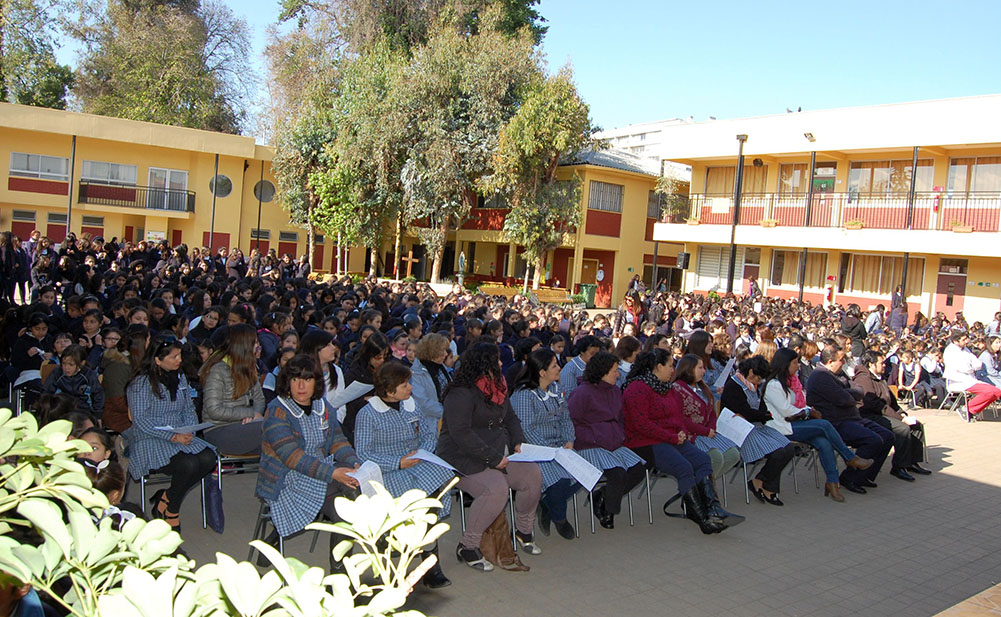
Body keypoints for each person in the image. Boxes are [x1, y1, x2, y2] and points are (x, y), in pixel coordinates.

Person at [437, 343, 543, 571]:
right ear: (483, 364)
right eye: (497, 361)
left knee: (532, 475)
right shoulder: (460, 393)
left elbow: (511, 418)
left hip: (496, 453)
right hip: (461, 458)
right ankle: (468, 546)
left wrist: (518, 442)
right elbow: (461, 434)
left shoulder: (498, 385)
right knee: (495, 489)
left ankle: (523, 531)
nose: (502, 364)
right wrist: (493, 458)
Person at [354, 361, 455, 588]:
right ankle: (393, 553)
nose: (410, 388)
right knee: (416, 499)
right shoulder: (367, 414)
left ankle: (429, 563)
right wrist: (398, 462)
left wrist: (423, 451)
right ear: (389, 391)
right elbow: (364, 453)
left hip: (416, 461)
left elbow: (429, 433)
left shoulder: (411, 404)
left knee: (435, 493)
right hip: (387, 471)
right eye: (405, 384)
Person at [256, 354, 361, 568]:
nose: (301, 385)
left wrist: (354, 464)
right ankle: (341, 574)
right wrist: (333, 473)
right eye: (295, 379)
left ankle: (342, 572)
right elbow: (292, 457)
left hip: (320, 473)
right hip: (286, 480)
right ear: (287, 382)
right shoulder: (277, 410)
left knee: (354, 492)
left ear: (316, 382)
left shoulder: (323, 407)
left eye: (307, 379)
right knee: (346, 506)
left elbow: (337, 441)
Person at [621, 349, 736, 534]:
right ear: (658, 367)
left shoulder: (668, 388)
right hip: (644, 442)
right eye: (670, 365)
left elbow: (678, 417)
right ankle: (700, 517)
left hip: (670, 438)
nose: (673, 370)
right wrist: (673, 436)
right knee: (683, 467)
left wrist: (681, 432)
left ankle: (713, 507)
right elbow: (640, 424)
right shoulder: (636, 388)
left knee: (703, 460)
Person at [125, 337, 217, 531]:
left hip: (179, 433)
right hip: (150, 437)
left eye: (179, 355)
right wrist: (172, 436)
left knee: (209, 458)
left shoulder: (180, 378)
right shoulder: (140, 384)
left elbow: (188, 409)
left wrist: (189, 430)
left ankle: (166, 498)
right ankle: (172, 510)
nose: (179, 360)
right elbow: (141, 420)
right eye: (174, 357)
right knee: (188, 464)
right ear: (158, 360)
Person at [763, 348, 873, 503]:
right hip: (781, 427)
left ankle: (833, 483)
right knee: (823, 425)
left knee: (824, 442)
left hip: (794, 422)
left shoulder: (788, 381)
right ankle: (849, 458)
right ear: (785, 364)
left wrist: (807, 411)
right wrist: (808, 411)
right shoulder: (773, 384)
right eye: (794, 363)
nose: (797, 366)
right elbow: (786, 410)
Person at [565, 351, 646, 529]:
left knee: (638, 470)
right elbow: (570, 422)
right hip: (590, 444)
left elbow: (620, 418)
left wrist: (620, 434)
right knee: (617, 473)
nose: (618, 375)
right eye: (614, 371)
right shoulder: (582, 393)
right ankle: (609, 511)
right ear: (602, 372)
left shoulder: (615, 391)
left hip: (613, 441)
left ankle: (603, 496)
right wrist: (593, 436)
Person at [508, 349, 578, 540]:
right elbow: (526, 430)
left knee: (582, 474)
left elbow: (566, 418)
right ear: (542, 372)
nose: (559, 368)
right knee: (560, 481)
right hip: (535, 450)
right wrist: (552, 451)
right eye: (554, 365)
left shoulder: (555, 390)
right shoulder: (524, 395)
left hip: (558, 446)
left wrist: (568, 440)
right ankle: (560, 518)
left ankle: (546, 503)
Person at [805, 343, 894, 495]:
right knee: (873, 440)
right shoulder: (820, 376)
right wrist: (850, 394)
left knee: (887, 436)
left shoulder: (838, 373)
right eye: (841, 359)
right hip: (836, 423)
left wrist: (850, 394)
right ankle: (850, 478)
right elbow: (843, 399)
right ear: (830, 361)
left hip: (852, 418)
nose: (844, 362)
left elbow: (859, 389)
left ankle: (865, 475)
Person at [719, 356, 795, 505]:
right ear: (751, 372)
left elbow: (760, 409)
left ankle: (760, 480)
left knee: (789, 448)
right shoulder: (733, 386)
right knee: (777, 452)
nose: (759, 382)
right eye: (758, 378)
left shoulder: (754, 387)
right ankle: (769, 488)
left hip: (756, 426)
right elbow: (745, 411)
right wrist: (762, 415)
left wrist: (762, 415)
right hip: (740, 430)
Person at [852, 350, 930, 480]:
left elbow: (891, 401)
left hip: (883, 413)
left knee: (916, 426)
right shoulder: (863, 379)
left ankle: (912, 462)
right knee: (902, 428)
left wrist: (902, 413)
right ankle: (899, 466)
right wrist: (900, 419)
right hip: (869, 415)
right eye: (881, 363)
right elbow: (874, 404)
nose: (884, 365)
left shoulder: (879, 378)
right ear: (871, 364)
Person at [200, 323, 266, 455]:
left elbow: (259, 399)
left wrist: (255, 417)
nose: (257, 347)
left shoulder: (249, 368)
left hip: (247, 425)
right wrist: (249, 414)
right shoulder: (217, 370)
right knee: (273, 431)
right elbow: (214, 410)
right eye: (255, 343)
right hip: (218, 429)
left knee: (279, 432)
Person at [672, 354, 741, 481]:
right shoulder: (677, 388)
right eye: (700, 368)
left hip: (707, 434)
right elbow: (679, 417)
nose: (704, 371)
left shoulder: (703, 388)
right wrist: (704, 431)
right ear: (688, 369)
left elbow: (712, 412)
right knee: (715, 457)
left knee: (733, 454)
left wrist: (711, 428)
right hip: (691, 435)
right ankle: (703, 489)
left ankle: (705, 484)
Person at [943, 331, 1001, 418]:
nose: (967, 341)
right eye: (964, 340)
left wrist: (971, 367)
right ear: (956, 341)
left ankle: (972, 411)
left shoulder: (966, 349)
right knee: (989, 392)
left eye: (967, 338)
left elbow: (978, 364)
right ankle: (967, 409)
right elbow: (961, 368)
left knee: (997, 392)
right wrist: (971, 368)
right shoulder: (950, 351)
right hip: (958, 381)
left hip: (970, 379)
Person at [42, 344, 105, 418]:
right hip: (61, 407)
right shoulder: (57, 372)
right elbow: (46, 392)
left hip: (83, 409)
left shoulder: (89, 374)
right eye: (64, 364)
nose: (66, 368)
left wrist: (98, 415)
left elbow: (98, 395)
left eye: (71, 365)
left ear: (82, 363)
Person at [409, 333, 453, 421]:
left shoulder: (441, 367)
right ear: (433, 352)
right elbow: (423, 403)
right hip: (429, 422)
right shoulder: (416, 374)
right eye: (443, 350)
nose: (445, 354)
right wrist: (448, 413)